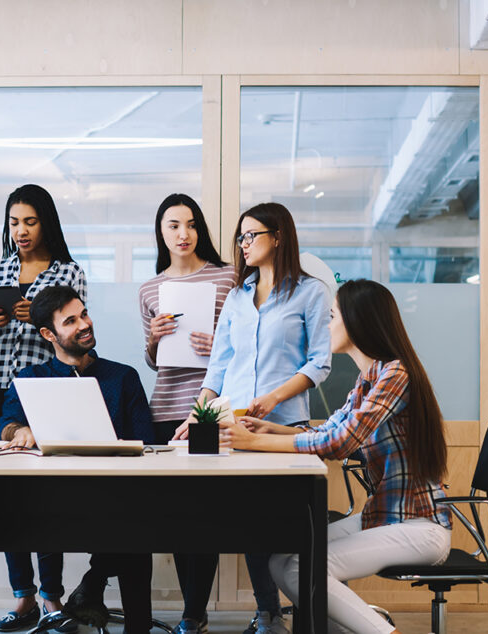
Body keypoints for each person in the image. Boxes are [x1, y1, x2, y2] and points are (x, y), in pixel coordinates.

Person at [224, 280, 452, 634]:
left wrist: (255, 444)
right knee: (283, 560)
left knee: (304, 568)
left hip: (418, 527)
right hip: (384, 517)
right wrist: (272, 431)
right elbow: (330, 430)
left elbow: (341, 442)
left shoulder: (396, 374)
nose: (326, 325)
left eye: (332, 316)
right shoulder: (368, 379)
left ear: (359, 321)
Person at [174, 202, 332, 634]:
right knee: (247, 523)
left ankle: (293, 614)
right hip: (236, 426)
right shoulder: (238, 298)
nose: (243, 244)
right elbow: (219, 368)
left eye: (252, 235)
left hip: (285, 427)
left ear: (278, 237)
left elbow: (321, 362)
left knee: (279, 528)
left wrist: (274, 396)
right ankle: (267, 614)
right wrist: (198, 415)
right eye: (240, 237)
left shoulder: (310, 292)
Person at [0, 285, 155, 634]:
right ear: (48, 334)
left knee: (134, 532)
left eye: (84, 314)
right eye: (71, 320)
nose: (85, 324)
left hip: (116, 498)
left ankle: (107, 596)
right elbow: (4, 428)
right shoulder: (31, 379)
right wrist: (21, 430)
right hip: (52, 501)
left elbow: (148, 442)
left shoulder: (123, 377)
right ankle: (89, 587)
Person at [0, 184, 86, 632]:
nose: (20, 230)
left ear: (46, 223)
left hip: (46, 387)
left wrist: (35, 318)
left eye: (30, 221)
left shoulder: (68, 273)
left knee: (45, 495)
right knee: (5, 495)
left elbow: (75, 337)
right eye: (14, 221)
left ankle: (51, 595)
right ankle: (21, 595)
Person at [138, 193, 237, 634]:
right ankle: (190, 614)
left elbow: (245, 349)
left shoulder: (228, 278)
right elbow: (155, 363)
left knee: (208, 515)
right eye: (174, 225)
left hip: (210, 409)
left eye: (191, 224)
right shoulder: (148, 289)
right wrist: (154, 341)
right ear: (161, 232)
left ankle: (195, 613)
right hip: (165, 408)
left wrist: (218, 346)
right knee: (177, 517)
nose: (184, 234)